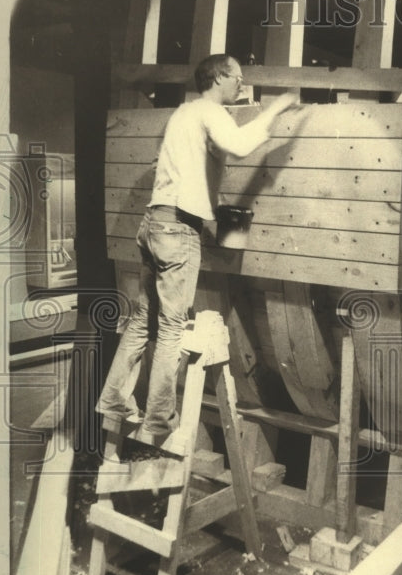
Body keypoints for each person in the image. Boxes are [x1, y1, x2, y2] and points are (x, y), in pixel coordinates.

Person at [96, 53, 302, 449]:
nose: (242, 85)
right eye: (238, 78)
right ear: (220, 77)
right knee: (172, 327)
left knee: (143, 319)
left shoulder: (183, 115)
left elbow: (197, 174)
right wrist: (275, 108)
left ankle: (113, 400)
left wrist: (208, 219)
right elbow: (241, 145)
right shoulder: (210, 110)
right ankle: (159, 419)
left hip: (153, 225)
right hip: (177, 231)